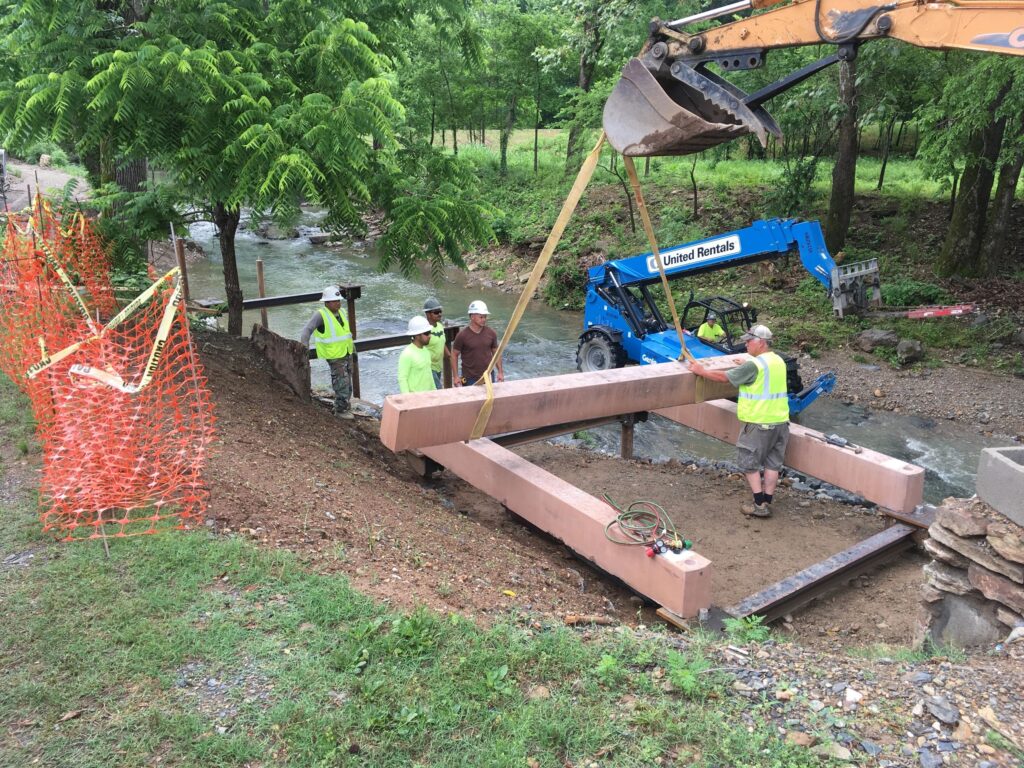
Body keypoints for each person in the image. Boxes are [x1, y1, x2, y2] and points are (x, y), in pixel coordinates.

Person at [689, 324, 789, 518]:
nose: (745, 344)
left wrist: (701, 371)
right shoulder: (778, 360)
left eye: (749, 341)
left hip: (758, 424)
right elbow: (762, 377)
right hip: (781, 423)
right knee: (772, 464)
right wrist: (743, 364)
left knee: (749, 463)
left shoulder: (754, 365)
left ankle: (759, 505)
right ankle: (767, 500)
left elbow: (724, 378)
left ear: (761, 343)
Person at [300, 286, 355, 419]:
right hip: (335, 355)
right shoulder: (321, 315)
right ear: (327, 302)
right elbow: (307, 331)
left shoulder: (341, 312)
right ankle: (340, 410)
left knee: (348, 384)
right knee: (341, 383)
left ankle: (345, 406)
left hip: (346, 352)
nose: (338, 303)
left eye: (338, 300)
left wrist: (353, 350)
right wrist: (304, 348)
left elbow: (345, 333)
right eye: (334, 301)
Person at [452, 300, 504, 386]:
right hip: (469, 378)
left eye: (485, 317)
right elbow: (454, 355)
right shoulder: (462, 335)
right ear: (472, 316)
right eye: (481, 317)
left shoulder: (491, 333)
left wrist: (500, 372)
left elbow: (496, 353)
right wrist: (456, 376)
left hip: (488, 376)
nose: (484, 319)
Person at [398, 316, 437, 394]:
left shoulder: (426, 351)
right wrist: (408, 399)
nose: (430, 336)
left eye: (430, 332)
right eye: (426, 333)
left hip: (428, 397)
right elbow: (402, 379)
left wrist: (435, 392)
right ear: (417, 335)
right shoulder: (407, 354)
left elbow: (429, 375)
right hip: (415, 399)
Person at [423, 297, 451, 389]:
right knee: (438, 389)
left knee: (432, 391)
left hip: (438, 366)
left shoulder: (439, 326)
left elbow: (441, 342)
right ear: (428, 314)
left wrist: (449, 355)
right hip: (428, 367)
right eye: (436, 312)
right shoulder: (424, 329)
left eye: (440, 311)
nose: (439, 314)